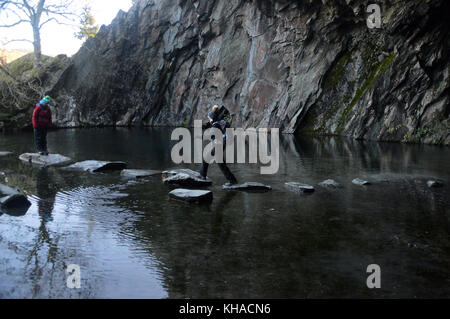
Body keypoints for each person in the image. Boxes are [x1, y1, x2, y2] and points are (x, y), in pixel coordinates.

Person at [200, 105, 238, 186]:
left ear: (212, 118)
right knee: (220, 164)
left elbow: (213, 135)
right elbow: (210, 124)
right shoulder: (220, 121)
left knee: (207, 159)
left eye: (209, 118)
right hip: (222, 143)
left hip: (219, 145)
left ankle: (202, 177)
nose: (208, 119)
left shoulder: (215, 125)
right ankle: (232, 180)